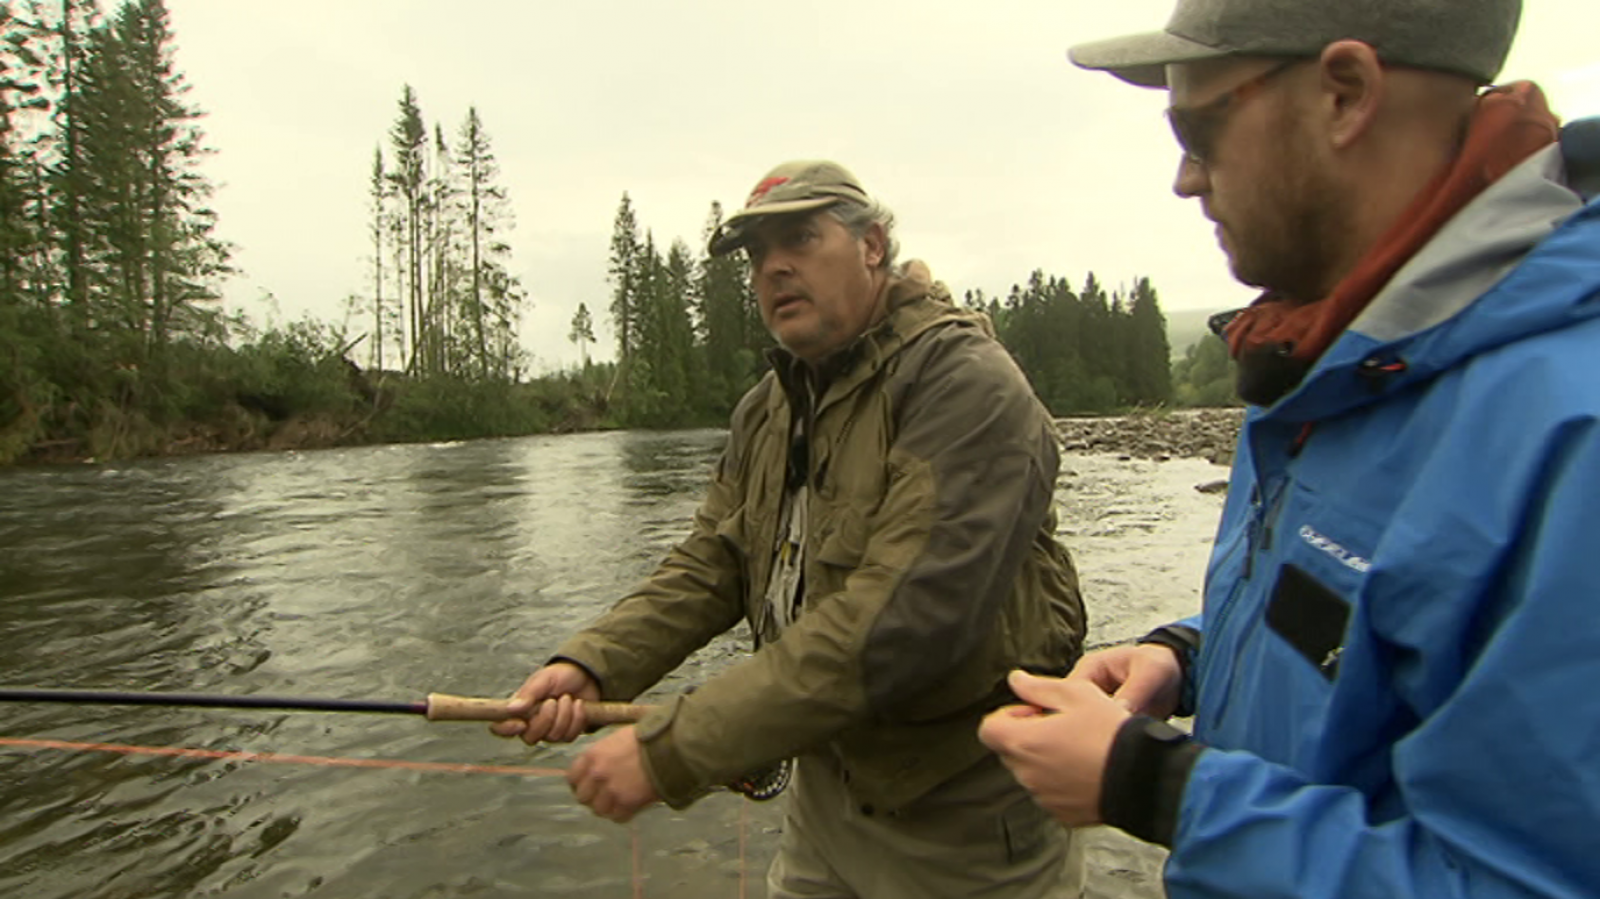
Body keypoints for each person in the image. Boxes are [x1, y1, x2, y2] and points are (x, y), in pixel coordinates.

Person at [978, 0, 1600, 897]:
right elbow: (1379, 622)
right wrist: (1191, 656)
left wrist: (1151, 782)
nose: (1185, 179)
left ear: (1345, 93)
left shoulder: (1566, 427)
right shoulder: (1345, 352)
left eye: (1198, 127)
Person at [494, 160, 1090, 898]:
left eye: (801, 238)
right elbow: (714, 561)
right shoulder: (766, 408)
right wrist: (592, 663)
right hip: (824, 800)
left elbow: (904, 622)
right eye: (756, 254)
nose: (774, 266)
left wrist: (672, 751)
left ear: (872, 244)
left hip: (967, 818)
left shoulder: (966, 384)